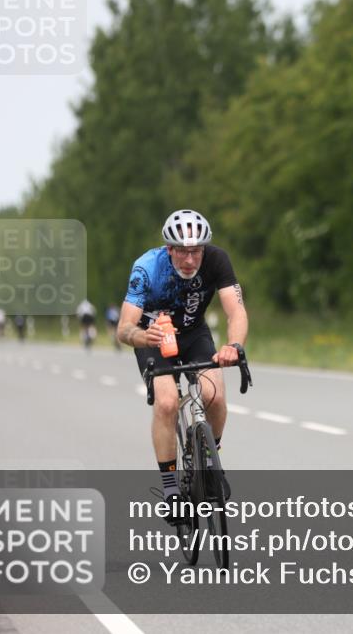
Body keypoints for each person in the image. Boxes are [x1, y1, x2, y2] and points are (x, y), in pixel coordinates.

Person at [116, 209, 248, 524]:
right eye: (183, 252)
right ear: (169, 249)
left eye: (196, 251)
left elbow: (236, 311)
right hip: (154, 336)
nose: (190, 259)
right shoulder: (147, 268)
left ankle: (209, 463)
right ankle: (171, 488)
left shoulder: (217, 260)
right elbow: (123, 328)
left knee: (214, 394)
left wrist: (233, 345)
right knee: (167, 402)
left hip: (193, 333)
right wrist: (142, 335)